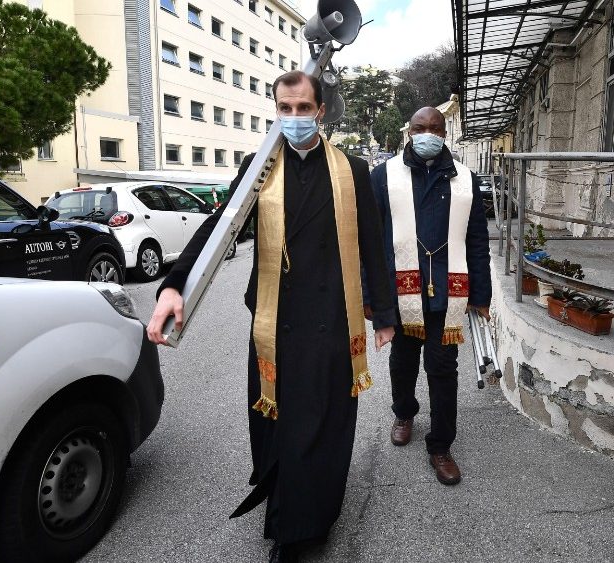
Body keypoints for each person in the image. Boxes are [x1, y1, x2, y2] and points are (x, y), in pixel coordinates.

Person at [146, 70, 397, 563]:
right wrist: (174, 285)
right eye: (285, 108)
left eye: (304, 108)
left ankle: (304, 526)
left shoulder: (352, 169)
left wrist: (384, 313)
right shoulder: (258, 166)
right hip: (274, 319)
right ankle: (288, 510)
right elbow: (220, 227)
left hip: (330, 319)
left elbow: (373, 242)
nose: (295, 117)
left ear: (320, 111)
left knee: (322, 424)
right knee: (280, 422)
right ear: (276, 110)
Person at [367, 106, 491, 486]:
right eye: (420, 128)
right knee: (403, 363)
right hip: (400, 291)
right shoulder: (384, 176)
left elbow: (477, 240)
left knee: (443, 371)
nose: (427, 135)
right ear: (410, 132)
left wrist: (481, 295)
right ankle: (404, 412)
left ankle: (440, 445)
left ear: (444, 133)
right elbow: (369, 241)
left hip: (446, 295)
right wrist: (371, 297)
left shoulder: (465, 180)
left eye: (435, 128)